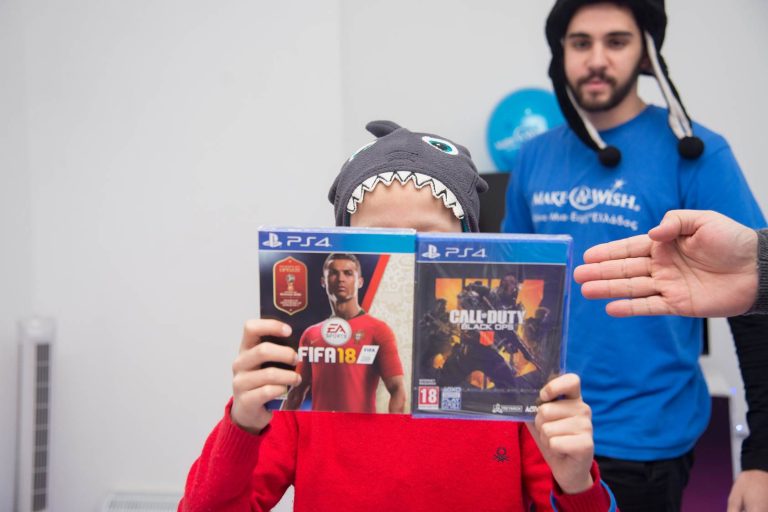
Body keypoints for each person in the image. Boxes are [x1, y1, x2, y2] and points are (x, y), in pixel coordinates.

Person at [179, 121, 617, 511]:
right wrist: (242, 422)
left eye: (428, 240)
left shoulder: (514, 398)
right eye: (380, 240)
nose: (406, 257)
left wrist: (576, 483)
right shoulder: (307, 364)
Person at [501, 2, 768, 511]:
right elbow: (511, 291)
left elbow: (755, 308)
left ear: (646, 54)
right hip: (544, 429)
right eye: (581, 43)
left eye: (617, 41)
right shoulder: (535, 155)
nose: (597, 59)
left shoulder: (698, 152)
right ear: (561, 53)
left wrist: (762, 458)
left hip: (645, 443)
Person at [573, 209, 768, 317]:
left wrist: (754, 264)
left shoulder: (695, 152)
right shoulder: (549, 155)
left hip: (668, 376)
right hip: (569, 374)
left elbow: (751, 324)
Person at [282, 253, 406, 413]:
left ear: (360, 282)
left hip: (361, 428)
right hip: (321, 427)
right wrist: (279, 427)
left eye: (348, 273)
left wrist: (393, 428)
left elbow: (397, 389)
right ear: (323, 282)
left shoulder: (379, 330)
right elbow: (296, 392)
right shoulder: (311, 334)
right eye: (333, 273)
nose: (341, 279)